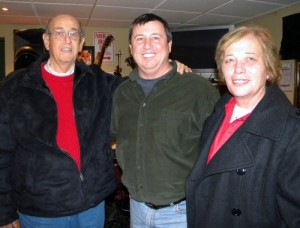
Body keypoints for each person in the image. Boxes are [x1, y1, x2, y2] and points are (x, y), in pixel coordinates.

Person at [0, 14, 191, 228]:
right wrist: (4, 212)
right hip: (41, 210)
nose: (67, 39)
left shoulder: (98, 81)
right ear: (46, 40)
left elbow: (139, 86)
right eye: (59, 33)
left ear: (81, 42)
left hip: (91, 206)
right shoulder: (15, 87)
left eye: (73, 34)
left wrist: (169, 68)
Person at [110, 13, 220, 227]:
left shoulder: (198, 90)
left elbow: (219, 150)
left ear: (169, 45)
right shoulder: (122, 93)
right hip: (136, 209)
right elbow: (112, 134)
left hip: (180, 212)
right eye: (140, 38)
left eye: (155, 37)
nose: (147, 45)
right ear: (132, 49)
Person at [186, 25, 300, 227]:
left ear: (268, 69)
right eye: (230, 60)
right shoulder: (215, 115)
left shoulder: (292, 130)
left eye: (250, 58)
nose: (238, 68)